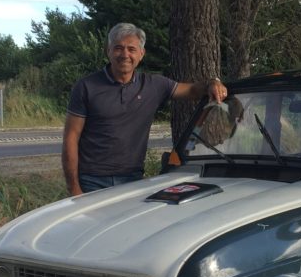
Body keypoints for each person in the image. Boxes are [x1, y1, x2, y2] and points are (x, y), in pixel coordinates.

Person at [63, 23, 228, 195]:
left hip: (132, 179)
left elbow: (193, 90)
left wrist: (213, 82)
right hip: (91, 180)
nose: (125, 54)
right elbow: (71, 137)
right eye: (118, 48)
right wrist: (74, 187)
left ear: (141, 54)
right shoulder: (86, 87)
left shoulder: (154, 85)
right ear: (108, 51)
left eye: (131, 49)